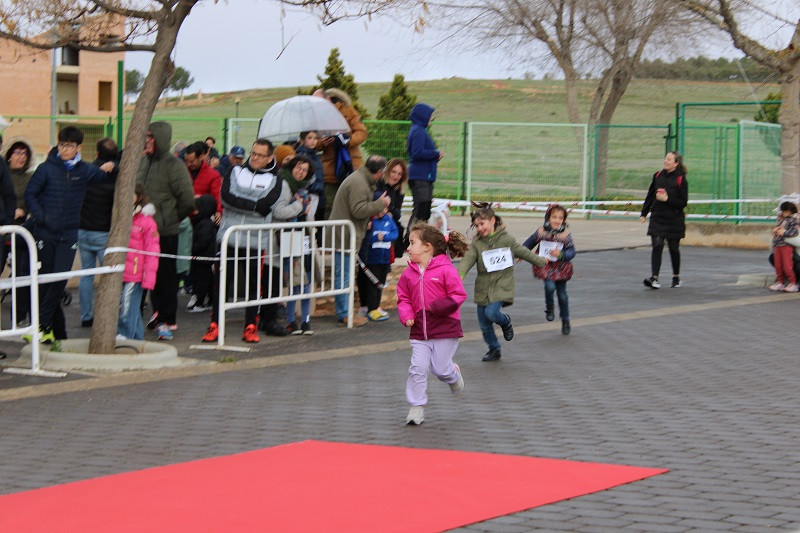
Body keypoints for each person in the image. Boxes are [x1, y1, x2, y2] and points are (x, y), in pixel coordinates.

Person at [201, 138, 303, 343]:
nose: (254, 158)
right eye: (253, 153)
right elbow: (226, 198)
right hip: (228, 237)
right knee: (221, 283)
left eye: (260, 155)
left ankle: (250, 326)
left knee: (253, 286)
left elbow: (268, 205)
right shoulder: (234, 171)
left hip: (256, 241)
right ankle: (215, 325)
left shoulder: (277, 181)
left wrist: (244, 203)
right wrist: (254, 205)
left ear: (270, 158)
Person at [21, 126, 115, 343]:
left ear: (78, 148)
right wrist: (42, 217)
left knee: (60, 280)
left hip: (70, 234)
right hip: (45, 233)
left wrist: (114, 165)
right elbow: (31, 194)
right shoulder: (46, 168)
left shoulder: (84, 170)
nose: (65, 149)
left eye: (70, 146)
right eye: (62, 144)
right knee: (44, 281)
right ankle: (43, 327)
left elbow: (106, 178)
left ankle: (42, 325)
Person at [397, 222, 469, 425]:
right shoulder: (408, 274)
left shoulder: (446, 270)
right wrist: (406, 314)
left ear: (427, 246)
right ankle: (416, 407)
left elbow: (458, 294)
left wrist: (440, 306)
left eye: (412, 243)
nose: (408, 248)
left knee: (440, 369)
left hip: (445, 328)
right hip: (419, 330)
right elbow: (403, 298)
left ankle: (453, 375)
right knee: (417, 368)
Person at [458, 202, 548, 362]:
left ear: (492, 221)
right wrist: (459, 276)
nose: (479, 228)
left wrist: (541, 261)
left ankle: (505, 321)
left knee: (491, 313)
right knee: (484, 324)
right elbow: (467, 260)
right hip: (483, 289)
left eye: (482, 224)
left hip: (502, 286)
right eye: (476, 225)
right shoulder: (477, 244)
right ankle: (494, 349)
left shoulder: (507, 239)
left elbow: (524, 252)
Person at [137, 122, 196, 340]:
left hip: (164, 232)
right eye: (147, 136)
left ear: (161, 138)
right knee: (147, 278)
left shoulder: (175, 166)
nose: (148, 140)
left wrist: (170, 219)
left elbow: (188, 201)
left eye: (152, 137)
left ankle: (168, 320)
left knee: (165, 279)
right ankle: (157, 312)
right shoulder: (142, 162)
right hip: (140, 232)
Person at [327, 154, 391, 327]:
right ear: (379, 171)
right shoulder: (359, 183)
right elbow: (358, 210)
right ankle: (344, 314)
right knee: (344, 276)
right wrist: (381, 203)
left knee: (346, 275)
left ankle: (346, 312)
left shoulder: (360, 179)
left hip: (346, 234)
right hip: (344, 236)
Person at [77, 137, 119, 328]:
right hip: (103, 232)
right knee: (109, 276)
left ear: (96, 153)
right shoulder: (117, 177)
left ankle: (86, 316)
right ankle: (109, 314)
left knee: (86, 274)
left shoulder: (87, 171)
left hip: (83, 229)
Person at [313, 88, 368, 220]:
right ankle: (329, 238)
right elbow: (311, 141)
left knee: (354, 204)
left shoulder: (348, 110)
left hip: (351, 166)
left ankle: (352, 238)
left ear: (327, 99)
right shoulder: (316, 118)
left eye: (318, 101)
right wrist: (322, 143)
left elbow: (362, 132)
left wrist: (347, 140)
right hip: (330, 171)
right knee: (330, 206)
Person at [522, 204, 576, 335]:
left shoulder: (565, 235)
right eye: (554, 217)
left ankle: (565, 320)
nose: (557, 220)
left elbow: (572, 251)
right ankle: (550, 307)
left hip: (561, 268)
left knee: (563, 296)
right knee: (549, 287)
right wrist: (521, 253)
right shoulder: (541, 232)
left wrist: (561, 255)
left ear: (564, 220)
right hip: (546, 266)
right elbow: (529, 243)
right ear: (548, 218)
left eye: (560, 218)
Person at [639, 151, 689, 289]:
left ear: (676, 163)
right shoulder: (657, 175)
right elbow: (650, 195)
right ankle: (654, 278)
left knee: (673, 248)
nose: (666, 161)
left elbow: (683, 202)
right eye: (665, 158)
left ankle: (676, 277)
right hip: (658, 217)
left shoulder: (680, 179)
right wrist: (644, 213)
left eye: (669, 159)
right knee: (657, 245)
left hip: (674, 219)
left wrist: (667, 199)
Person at [118, 183, 159, 340]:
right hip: (125, 271)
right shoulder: (125, 217)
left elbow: (152, 251)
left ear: (139, 197)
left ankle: (124, 335)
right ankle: (137, 341)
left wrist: (149, 278)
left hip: (135, 273)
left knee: (128, 306)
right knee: (132, 309)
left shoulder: (147, 222)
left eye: (132, 194)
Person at [280, 155, 316, 335]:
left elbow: (307, 210)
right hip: (289, 237)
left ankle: (306, 321)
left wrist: (303, 205)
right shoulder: (282, 183)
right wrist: (299, 206)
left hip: (304, 238)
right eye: (299, 168)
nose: (300, 172)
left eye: (305, 170)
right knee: (294, 280)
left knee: (306, 281)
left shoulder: (304, 191)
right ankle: (291, 320)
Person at [356, 206, 398, 322]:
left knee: (380, 284)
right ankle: (371, 309)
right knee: (371, 285)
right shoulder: (370, 221)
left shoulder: (388, 219)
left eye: (385, 208)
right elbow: (365, 239)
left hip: (384, 259)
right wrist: (375, 238)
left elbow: (395, 233)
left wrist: (384, 237)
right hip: (372, 259)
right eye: (381, 207)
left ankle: (376, 307)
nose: (383, 211)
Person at [406, 103, 443, 231]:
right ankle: (410, 240)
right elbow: (417, 152)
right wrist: (436, 154)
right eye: (429, 116)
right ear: (422, 116)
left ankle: (416, 240)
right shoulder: (418, 131)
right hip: (420, 177)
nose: (431, 119)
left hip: (423, 176)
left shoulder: (419, 130)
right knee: (421, 211)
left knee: (424, 211)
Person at [188, 194, 218, 311]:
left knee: (201, 281)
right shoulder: (202, 222)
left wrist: (192, 248)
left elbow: (203, 241)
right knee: (208, 279)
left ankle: (199, 302)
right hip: (204, 257)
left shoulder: (204, 223)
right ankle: (210, 300)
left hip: (203, 256)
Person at [376, 158, 408, 258]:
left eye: (399, 174)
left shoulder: (399, 190)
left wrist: (391, 213)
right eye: (393, 172)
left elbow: (398, 212)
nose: (396, 176)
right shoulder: (378, 185)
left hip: (389, 227)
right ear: (387, 171)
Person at [295, 131, 325, 222]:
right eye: (310, 138)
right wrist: (313, 188)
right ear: (303, 140)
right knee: (308, 224)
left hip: (318, 193)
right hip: (309, 195)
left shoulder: (316, 156)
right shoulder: (301, 156)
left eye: (315, 138)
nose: (313, 141)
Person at [769, 200, 799, 292]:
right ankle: (780, 282)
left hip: (786, 246)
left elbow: (794, 232)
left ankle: (793, 283)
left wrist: (784, 233)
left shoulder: (793, 221)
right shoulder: (783, 220)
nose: (782, 213)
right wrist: (776, 230)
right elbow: (777, 230)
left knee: (787, 265)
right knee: (778, 265)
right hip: (778, 245)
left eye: (784, 211)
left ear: (789, 211)